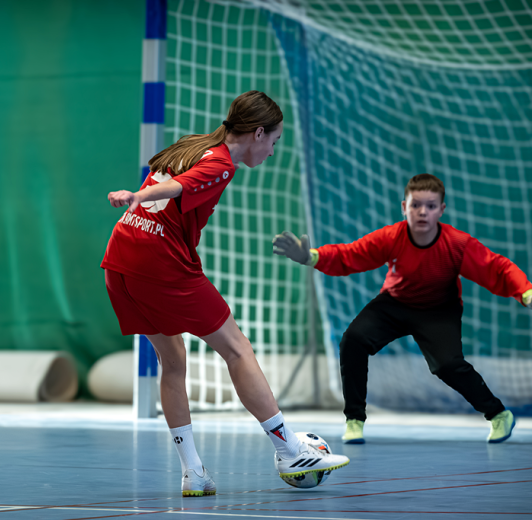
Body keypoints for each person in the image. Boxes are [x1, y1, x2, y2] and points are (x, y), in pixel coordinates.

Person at [101, 91, 349, 497]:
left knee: (173, 360)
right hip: (158, 265)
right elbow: (180, 187)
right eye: (274, 141)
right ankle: (289, 450)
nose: (271, 151)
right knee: (236, 348)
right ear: (257, 133)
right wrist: (136, 196)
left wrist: (136, 201)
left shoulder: (195, 144)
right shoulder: (219, 163)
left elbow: (174, 178)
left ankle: (193, 472)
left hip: (120, 261)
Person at [273, 173, 532, 445]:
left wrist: (529, 295)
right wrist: (310, 256)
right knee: (353, 340)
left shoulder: (456, 244)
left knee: (447, 366)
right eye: (416, 205)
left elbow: (497, 268)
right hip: (395, 303)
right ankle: (354, 419)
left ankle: (498, 415)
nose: (422, 212)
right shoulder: (392, 237)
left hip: (439, 309)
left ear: (441, 210)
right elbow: (352, 254)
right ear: (405, 207)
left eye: (430, 206)